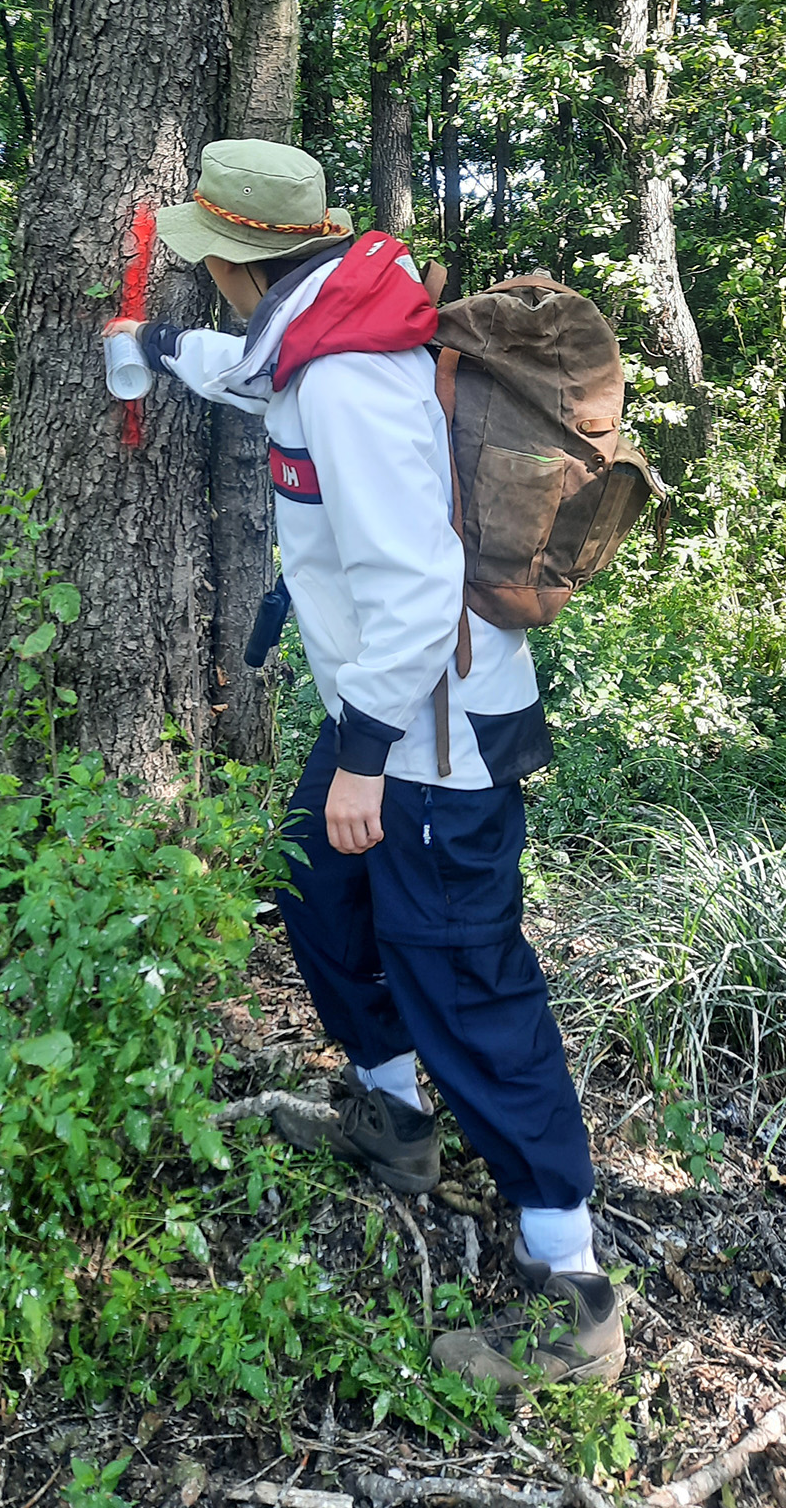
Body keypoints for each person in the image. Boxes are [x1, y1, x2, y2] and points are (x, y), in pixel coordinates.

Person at [105, 137, 623, 1390]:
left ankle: (573, 1284)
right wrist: (160, 354)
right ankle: (393, 1119)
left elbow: (416, 581)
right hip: (388, 715)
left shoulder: (344, 377)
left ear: (230, 257)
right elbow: (260, 371)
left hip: (430, 738)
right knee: (320, 892)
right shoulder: (328, 326)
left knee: (468, 983)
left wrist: (365, 760)